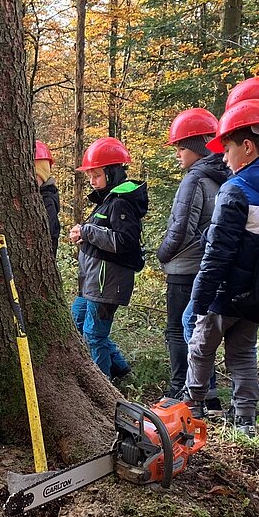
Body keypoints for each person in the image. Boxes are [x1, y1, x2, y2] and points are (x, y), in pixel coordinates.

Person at [183, 99, 259, 436]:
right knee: (243, 351)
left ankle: (191, 409)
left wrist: (200, 300)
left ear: (247, 147)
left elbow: (217, 255)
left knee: (201, 346)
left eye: (227, 148)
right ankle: (246, 418)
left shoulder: (236, 190)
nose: (223, 157)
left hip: (227, 290)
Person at [157, 108, 227, 402]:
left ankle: (179, 390)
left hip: (183, 267)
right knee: (202, 331)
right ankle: (206, 394)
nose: (178, 155)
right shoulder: (222, 176)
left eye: (181, 148)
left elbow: (181, 227)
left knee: (177, 330)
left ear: (197, 147)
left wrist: (163, 254)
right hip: (207, 266)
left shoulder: (194, 179)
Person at [70, 137, 148, 379]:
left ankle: (103, 386)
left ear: (112, 173)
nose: (92, 182)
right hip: (92, 282)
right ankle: (120, 369)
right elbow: (103, 238)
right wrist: (84, 236)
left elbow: (124, 241)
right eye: (90, 176)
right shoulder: (106, 201)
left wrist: (87, 231)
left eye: (97, 176)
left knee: (94, 335)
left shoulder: (121, 203)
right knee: (77, 321)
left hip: (107, 283)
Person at [34, 141, 61, 256]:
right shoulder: (41, 194)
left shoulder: (47, 200)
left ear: (43, 175)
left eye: (35, 175)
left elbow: (51, 234)